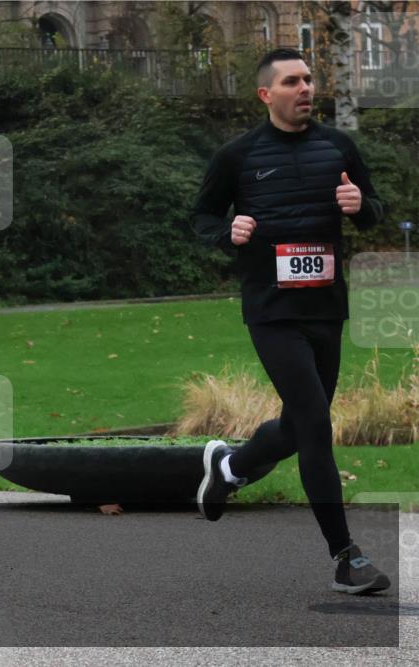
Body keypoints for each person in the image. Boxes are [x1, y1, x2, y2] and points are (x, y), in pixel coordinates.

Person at [191, 48, 390, 594]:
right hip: (272, 309)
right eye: (293, 81)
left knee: (304, 421)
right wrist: (225, 231)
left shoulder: (339, 146)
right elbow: (203, 216)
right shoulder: (238, 155)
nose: (306, 88)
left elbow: (374, 206)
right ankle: (346, 557)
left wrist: (360, 206)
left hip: (326, 307)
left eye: (309, 79)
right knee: (315, 424)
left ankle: (230, 470)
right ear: (266, 95)